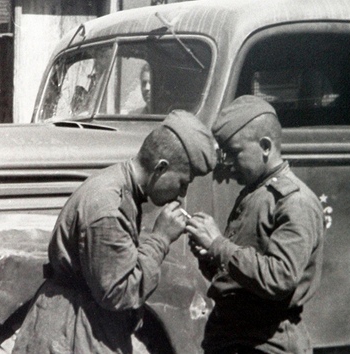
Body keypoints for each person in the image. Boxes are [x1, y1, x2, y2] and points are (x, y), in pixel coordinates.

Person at [13, 110, 217, 354]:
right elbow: (118, 293)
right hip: (75, 333)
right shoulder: (108, 207)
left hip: (81, 324)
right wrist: (161, 239)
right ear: (161, 168)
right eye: (183, 182)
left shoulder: (120, 186)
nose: (182, 194)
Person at [185, 95, 325, 354]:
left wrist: (218, 245)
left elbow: (279, 278)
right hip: (233, 335)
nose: (227, 162)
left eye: (234, 152)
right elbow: (239, 274)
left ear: (265, 146)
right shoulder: (254, 193)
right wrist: (209, 256)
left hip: (265, 342)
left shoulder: (294, 202)